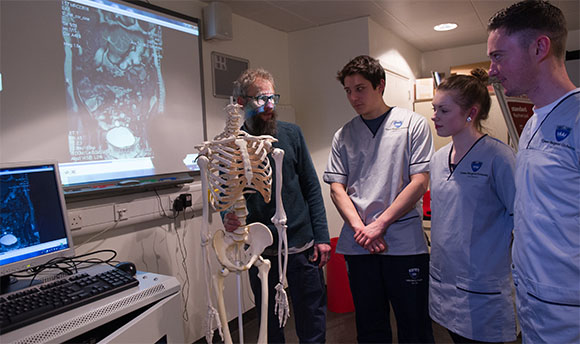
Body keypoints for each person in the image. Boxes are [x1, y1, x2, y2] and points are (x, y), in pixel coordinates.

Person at [323, 55, 434, 343]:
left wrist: (379, 224)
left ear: (380, 85)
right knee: (370, 326)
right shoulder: (343, 135)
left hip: (403, 244)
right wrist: (362, 229)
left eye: (360, 88)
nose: (353, 97)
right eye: (348, 91)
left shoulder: (413, 125)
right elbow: (337, 188)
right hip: (360, 245)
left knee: (415, 324)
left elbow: (420, 181)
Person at [487, 1, 580, 342]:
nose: (491, 69)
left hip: (570, 314)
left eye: (499, 56)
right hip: (533, 303)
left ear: (540, 47)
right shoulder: (530, 124)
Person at [222, 68, 331, 344]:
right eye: (260, 99)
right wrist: (228, 217)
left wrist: (321, 237)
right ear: (240, 102)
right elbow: (225, 193)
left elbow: (312, 188)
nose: (270, 106)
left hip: (302, 247)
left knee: (312, 319)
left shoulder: (292, 134)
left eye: (273, 98)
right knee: (269, 325)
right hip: (262, 252)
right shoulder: (231, 145)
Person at [429, 69, 517, 343]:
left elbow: (522, 219)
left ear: (471, 112)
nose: (435, 116)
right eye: (434, 109)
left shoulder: (499, 157)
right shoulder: (438, 159)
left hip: (484, 285)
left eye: (443, 110)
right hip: (446, 280)